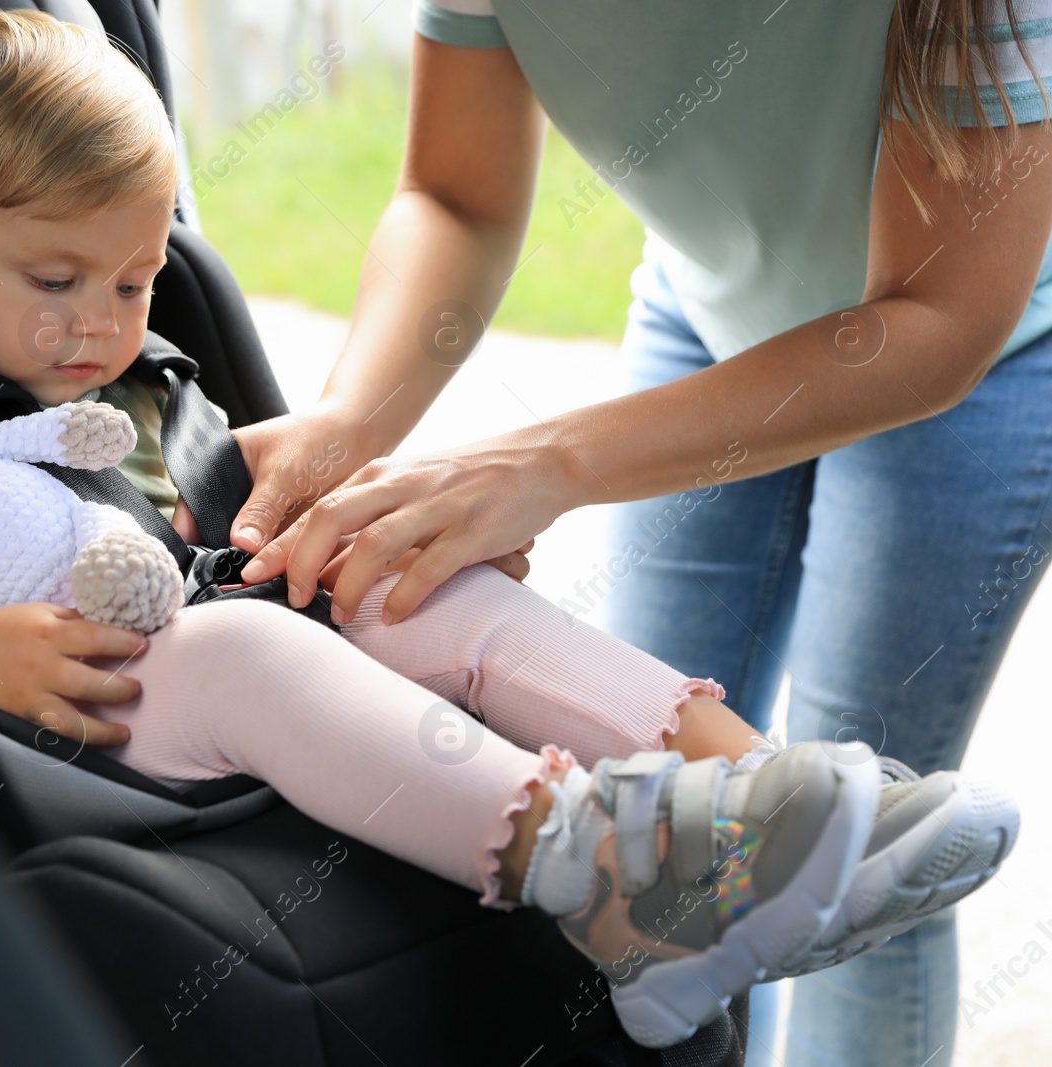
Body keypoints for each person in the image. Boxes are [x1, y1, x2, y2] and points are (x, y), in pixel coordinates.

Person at [0, 8, 1015, 1051]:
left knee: (426, 586)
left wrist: (362, 529)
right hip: (82, 700)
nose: (98, 323)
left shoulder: (142, 376)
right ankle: (607, 881)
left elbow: (243, 508)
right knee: (243, 650)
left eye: (134, 279)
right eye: (54, 282)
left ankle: (763, 800)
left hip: (207, 616)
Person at [224, 2, 1052, 1063]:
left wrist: (548, 463)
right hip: (709, 310)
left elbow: (933, 317)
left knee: (867, 848)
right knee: (660, 814)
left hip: (982, 348)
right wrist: (351, 420)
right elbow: (455, 194)